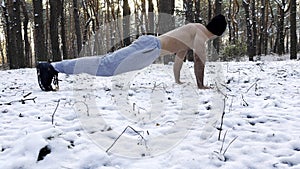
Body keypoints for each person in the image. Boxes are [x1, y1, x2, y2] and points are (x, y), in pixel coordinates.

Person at [37, 14, 227, 91]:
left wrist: (177, 80)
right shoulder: (201, 35)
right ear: (218, 33)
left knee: (107, 66)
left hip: (149, 49)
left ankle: (53, 68)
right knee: (106, 65)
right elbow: (200, 62)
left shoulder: (193, 32)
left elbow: (180, 59)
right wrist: (201, 85)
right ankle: (52, 67)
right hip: (150, 48)